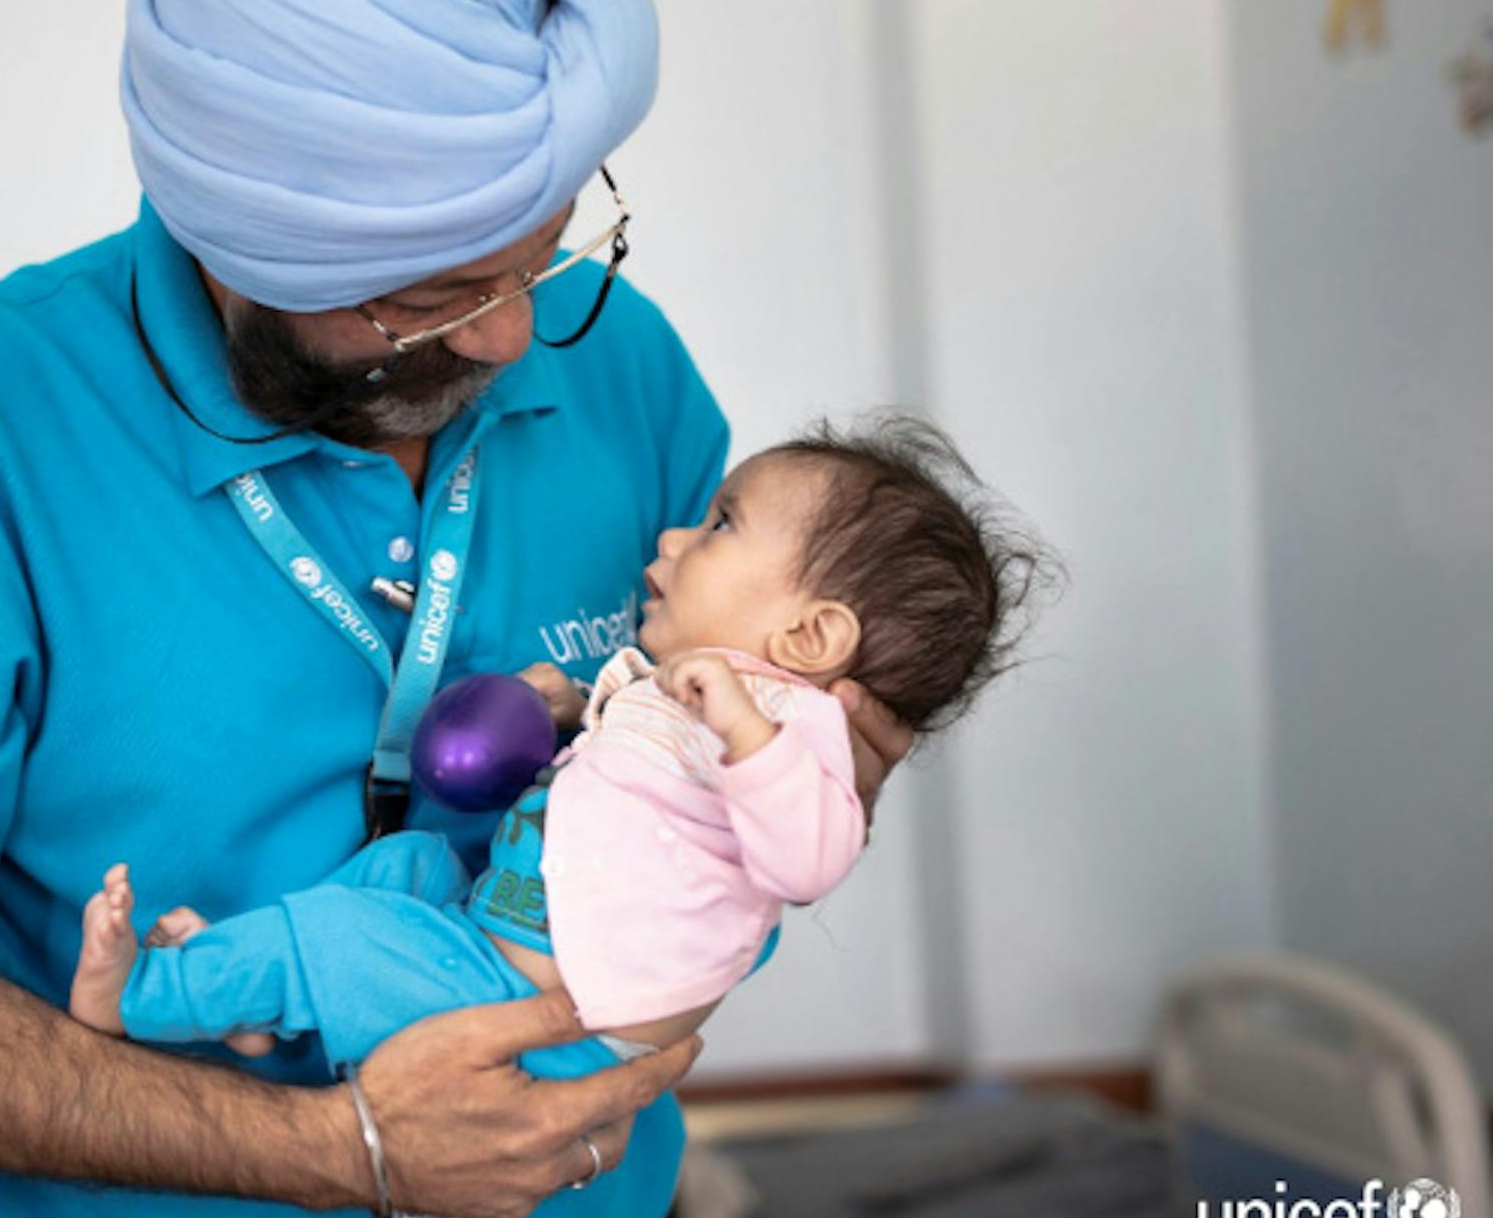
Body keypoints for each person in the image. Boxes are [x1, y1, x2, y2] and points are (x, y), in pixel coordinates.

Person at [0, 0, 912, 1218]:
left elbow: (751, 790)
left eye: (536, 259)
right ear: (248, 247)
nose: (508, 343)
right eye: (429, 299)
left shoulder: (628, 371)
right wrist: (334, 1147)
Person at [67, 416, 1045, 1106]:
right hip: (510, 928)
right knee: (398, 875)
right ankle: (259, 1006)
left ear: (813, 634)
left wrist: (751, 732)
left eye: (721, 526)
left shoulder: (791, 724)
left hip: (550, 1005)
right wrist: (572, 713)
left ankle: (143, 998)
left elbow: (805, 862)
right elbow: (648, 800)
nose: (672, 537)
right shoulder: (690, 683)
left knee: (346, 944)